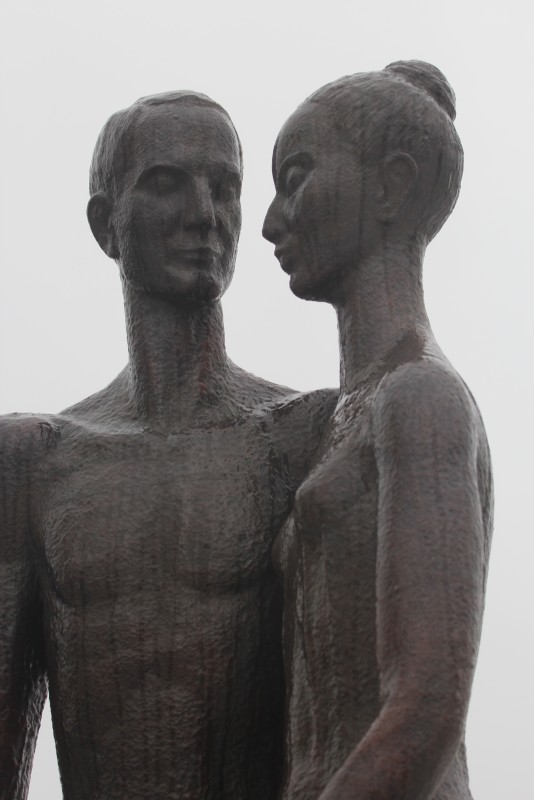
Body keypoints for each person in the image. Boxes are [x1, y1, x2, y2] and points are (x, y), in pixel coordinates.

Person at [0, 92, 336, 799]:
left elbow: (355, 712)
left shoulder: (304, 436)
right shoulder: (35, 462)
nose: (204, 214)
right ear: (106, 224)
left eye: (225, 187)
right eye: (166, 183)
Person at [263, 61, 493, 800]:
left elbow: (426, 706)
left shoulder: (421, 397)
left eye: (295, 177)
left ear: (391, 187)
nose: (271, 221)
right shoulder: (345, 416)